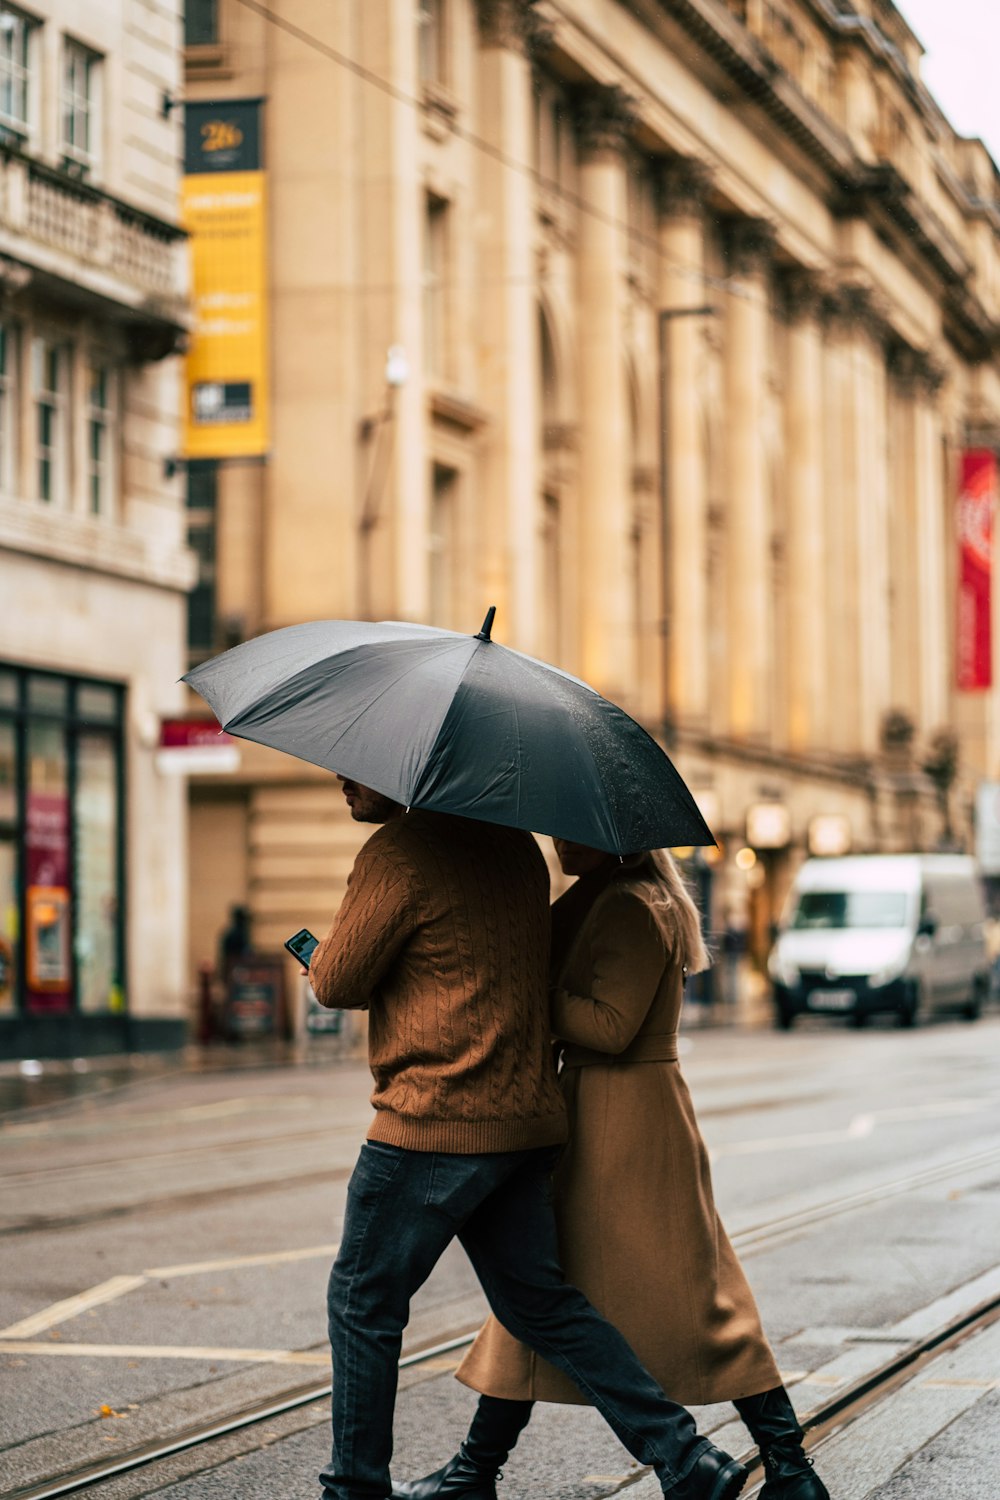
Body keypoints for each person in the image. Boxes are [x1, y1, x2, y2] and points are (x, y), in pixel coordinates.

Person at [307, 777, 749, 1500]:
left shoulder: (399, 852)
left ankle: (354, 1488)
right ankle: (686, 1458)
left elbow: (339, 981)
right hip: (521, 1122)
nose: (343, 781)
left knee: (363, 1300)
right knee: (543, 1304)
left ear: (409, 767)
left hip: (431, 1121)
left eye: (357, 769)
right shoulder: (514, 850)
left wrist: (320, 956)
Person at [395, 840, 829, 1500]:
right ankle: (473, 1472)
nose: (558, 844)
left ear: (610, 840)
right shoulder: (609, 898)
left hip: (618, 1118)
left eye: (571, 834)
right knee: (551, 1291)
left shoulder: (629, 906)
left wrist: (534, 995)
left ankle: (789, 1467)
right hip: (611, 1112)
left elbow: (611, 1026)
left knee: (638, 1296)